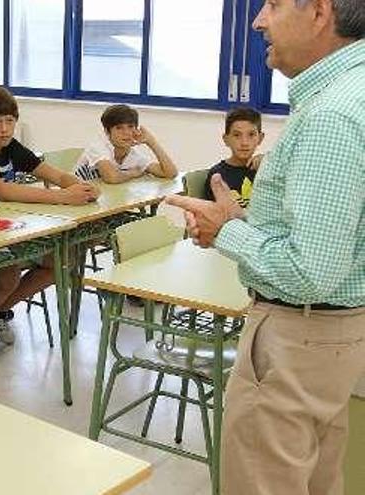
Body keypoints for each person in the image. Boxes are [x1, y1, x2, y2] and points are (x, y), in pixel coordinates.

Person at [165, 1, 365, 493]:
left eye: (273, 4)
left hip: (299, 331)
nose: (257, 20)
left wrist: (227, 231)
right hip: (335, 333)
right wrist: (248, 220)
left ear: (320, 13)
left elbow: (310, 270)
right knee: (317, 478)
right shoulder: (350, 92)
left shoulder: (331, 115)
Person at [0, 86, 99, 352]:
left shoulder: (11, 147)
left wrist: (81, 186)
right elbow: (0, 190)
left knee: (59, 262)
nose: (5, 129)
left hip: (5, 226)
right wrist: (64, 197)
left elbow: (55, 175)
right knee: (10, 273)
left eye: (10, 121)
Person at [75, 104, 177, 183]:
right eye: (119, 128)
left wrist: (152, 142)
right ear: (107, 131)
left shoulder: (133, 154)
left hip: (106, 201)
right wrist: (133, 174)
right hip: (77, 201)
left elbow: (170, 173)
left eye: (131, 127)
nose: (127, 133)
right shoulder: (98, 146)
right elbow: (111, 177)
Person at [204, 107, 265, 207]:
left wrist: (268, 162)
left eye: (251, 135)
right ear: (226, 139)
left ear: (260, 138)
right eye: (237, 135)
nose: (244, 143)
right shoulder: (217, 175)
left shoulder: (266, 168)